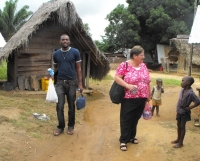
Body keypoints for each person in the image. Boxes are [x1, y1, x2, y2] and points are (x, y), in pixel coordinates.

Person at [115, 45, 151, 151]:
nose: (143, 57)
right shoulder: (124, 65)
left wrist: (148, 95)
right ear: (134, 56)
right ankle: (123, 140)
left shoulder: (143, 66)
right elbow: (117, 77)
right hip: (129, 98)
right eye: (142, 55)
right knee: (126, 119)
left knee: (135, 119)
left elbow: (147, 80)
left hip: (142, 97)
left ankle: (131, 137)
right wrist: (127, 86)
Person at [52, 34, 83, 136]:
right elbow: (55, 67)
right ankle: (60, 127)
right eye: (63, 39)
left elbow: (78, 68)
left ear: (69, 41)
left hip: (72, 83)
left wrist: (80, 83)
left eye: (66, 39)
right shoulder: (56, 54)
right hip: (60, 83)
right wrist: (52, 74)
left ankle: (71, 126)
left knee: (71, 106)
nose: (65, 41)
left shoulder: (75, 52)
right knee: (59, 106)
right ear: (60, 41)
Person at [171, 76, 200, 148]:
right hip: (179, 111)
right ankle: (178, 139)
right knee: (178, 125)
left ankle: (181, 143)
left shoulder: (191, 93)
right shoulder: (182, 90)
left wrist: (189, 107)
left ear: (188, 82)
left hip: (184, 113)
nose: (181, 82)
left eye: (182, 81)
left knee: (182, 127)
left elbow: (198, 101)